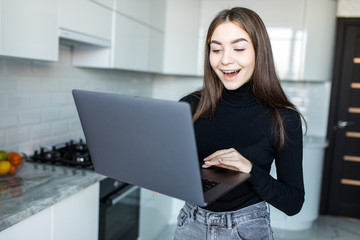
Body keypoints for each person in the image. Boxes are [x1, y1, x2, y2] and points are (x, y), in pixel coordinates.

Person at [173, 7, 305, 240]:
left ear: (259, 51)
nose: (225, 59)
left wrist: (250, 171)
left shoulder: (283, 119)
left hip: (247, 229)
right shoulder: (189, 106)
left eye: (239, 48)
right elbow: (179, 172)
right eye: (216, 49)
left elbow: (293, 203)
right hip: (190, 224)